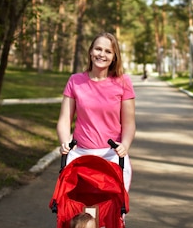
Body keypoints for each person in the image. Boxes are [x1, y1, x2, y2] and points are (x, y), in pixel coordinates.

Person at [57, 31, 136, 190]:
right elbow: (64, 120)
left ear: (114, 56)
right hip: (80, 155)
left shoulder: (123, 82)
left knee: (111, 212)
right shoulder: (75, 80)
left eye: (108, 51)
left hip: (113, 156)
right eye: (98, 49)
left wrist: (125, 145)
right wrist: (65, 141)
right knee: (78, 212)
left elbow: (129, 124)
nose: (102, 54)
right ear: (91, 51)